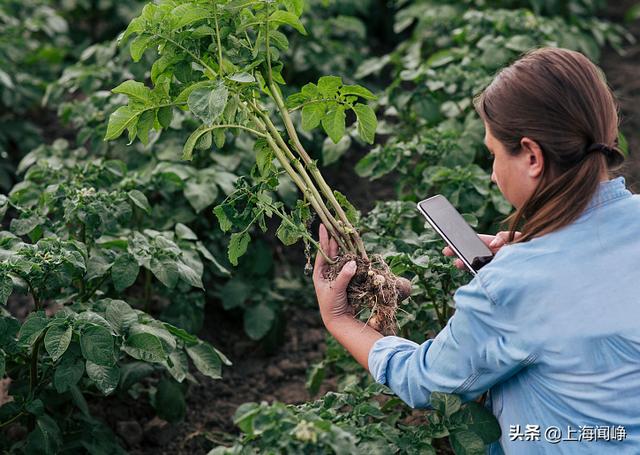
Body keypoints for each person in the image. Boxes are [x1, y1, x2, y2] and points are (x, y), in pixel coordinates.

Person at [312, 47, 640, 454]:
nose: (491, 172)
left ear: (532, 157)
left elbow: (424, 382)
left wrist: (339, 318)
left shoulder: (516, 283)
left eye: (494, 154)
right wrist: (533, 253)